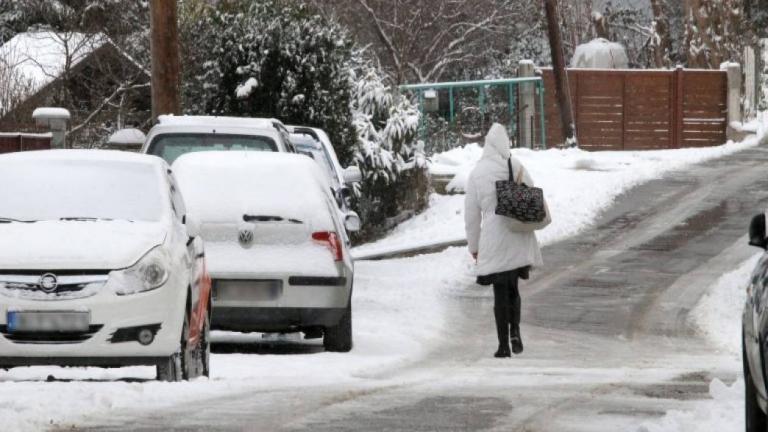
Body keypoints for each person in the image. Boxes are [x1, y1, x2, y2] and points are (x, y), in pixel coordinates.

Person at [464, 123, 544, 358]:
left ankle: (502, 345)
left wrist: (475, 247)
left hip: (493, 238)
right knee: (513, 288)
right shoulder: (515, 165)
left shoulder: (477, 173)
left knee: (499, 291)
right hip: (517, 234)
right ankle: (515, 332)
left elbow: (471, 216)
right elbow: (531, 192)